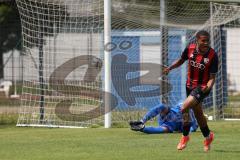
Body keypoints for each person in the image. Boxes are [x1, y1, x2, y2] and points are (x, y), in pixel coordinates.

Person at [163, 30, 218, 152]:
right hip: (189, 85)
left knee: (184, 107)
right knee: (198, 114)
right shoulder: (190, 49)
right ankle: (208, 136)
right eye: (203, 41)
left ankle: (185, 136)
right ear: (197, 40)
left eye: (207, 40)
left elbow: (212, 78)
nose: (206, 43)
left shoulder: (213, 55)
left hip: (202, 87)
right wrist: (170, 68)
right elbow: (181, 60)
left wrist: (207, 89)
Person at [129, 103, 198, 134]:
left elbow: (192, 128)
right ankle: (142, 121)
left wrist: (144, 129)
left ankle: (142, 127)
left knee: (163, 129)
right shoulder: (188, 106)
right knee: (161, 107)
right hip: (170, 113)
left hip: (171, 124)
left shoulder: (194, 122)